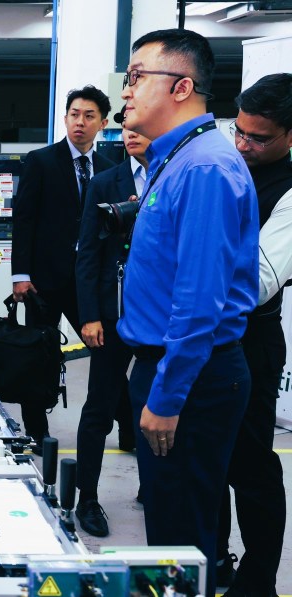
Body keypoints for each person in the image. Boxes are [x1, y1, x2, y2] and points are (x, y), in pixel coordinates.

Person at [117, 29, 258, 597]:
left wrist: (168, 396)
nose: (126, 91)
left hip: (190, 378)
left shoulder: (203, 169)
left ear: (181, 87)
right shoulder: (177, 160)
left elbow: (199, 303)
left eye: (136, 77)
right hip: (171, 368)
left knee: (180, 544)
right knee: (171, 532)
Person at [215, 72, 292, 597]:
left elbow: (259, 282)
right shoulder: (226, 164)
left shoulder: (287, 191)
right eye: (238, 131)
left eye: (258, 138)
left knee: (250, 465)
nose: (243, 144)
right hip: (206, 338)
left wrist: (196, 261)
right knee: (207, 461)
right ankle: (215, 558)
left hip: (252, 344)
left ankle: (258, 580)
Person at [10, 85, 114, 450]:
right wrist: (20, 275)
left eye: (89, 116)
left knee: (108, 352)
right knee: (38, 356)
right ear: (66, 118)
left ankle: (124, 423)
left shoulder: (108, 170)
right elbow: (23, 220)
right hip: (43, 280)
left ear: (102, 123)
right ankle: (36, 429)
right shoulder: (40, 161)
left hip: (89, 281)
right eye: (74, 115)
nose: (80, 122)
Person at [73, 128, 148, 537]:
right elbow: (87, 252)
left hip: (158, 317)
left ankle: (152, 486)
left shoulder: (175, 176)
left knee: (153, 404)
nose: (133, 133)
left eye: (141, 125)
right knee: (99, 408)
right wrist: (89, 316)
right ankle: (87, 497)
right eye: (127, 126)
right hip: (112, 313)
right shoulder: (105, 181)